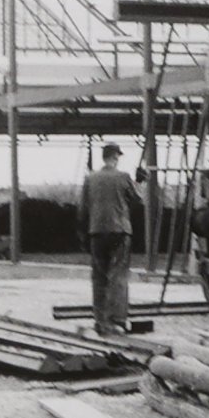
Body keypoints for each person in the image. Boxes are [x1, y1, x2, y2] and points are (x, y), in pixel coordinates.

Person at [77, 143, 143, 335]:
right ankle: (118, 320)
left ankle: (100, 320)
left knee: (98, 276)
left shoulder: (90, 179)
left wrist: (83, 234)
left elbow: (82, 210)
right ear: (116, 157)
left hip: (96, 231)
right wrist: (140, 182)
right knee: (118, 275)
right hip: (120, 231)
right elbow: (138, 200)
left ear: (103, 157)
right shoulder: (124, 177)